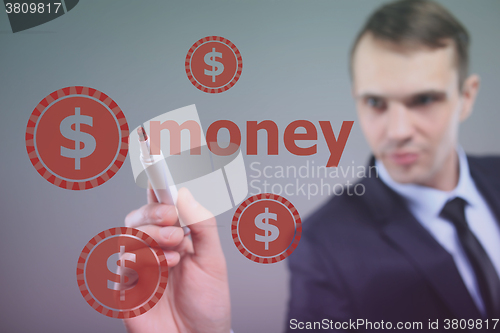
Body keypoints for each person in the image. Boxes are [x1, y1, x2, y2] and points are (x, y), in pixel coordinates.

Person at [123, 0, 500, 332]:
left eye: (423, 99)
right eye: (375, 103)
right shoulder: (325, 246)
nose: (398, 130)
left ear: (466, 98)